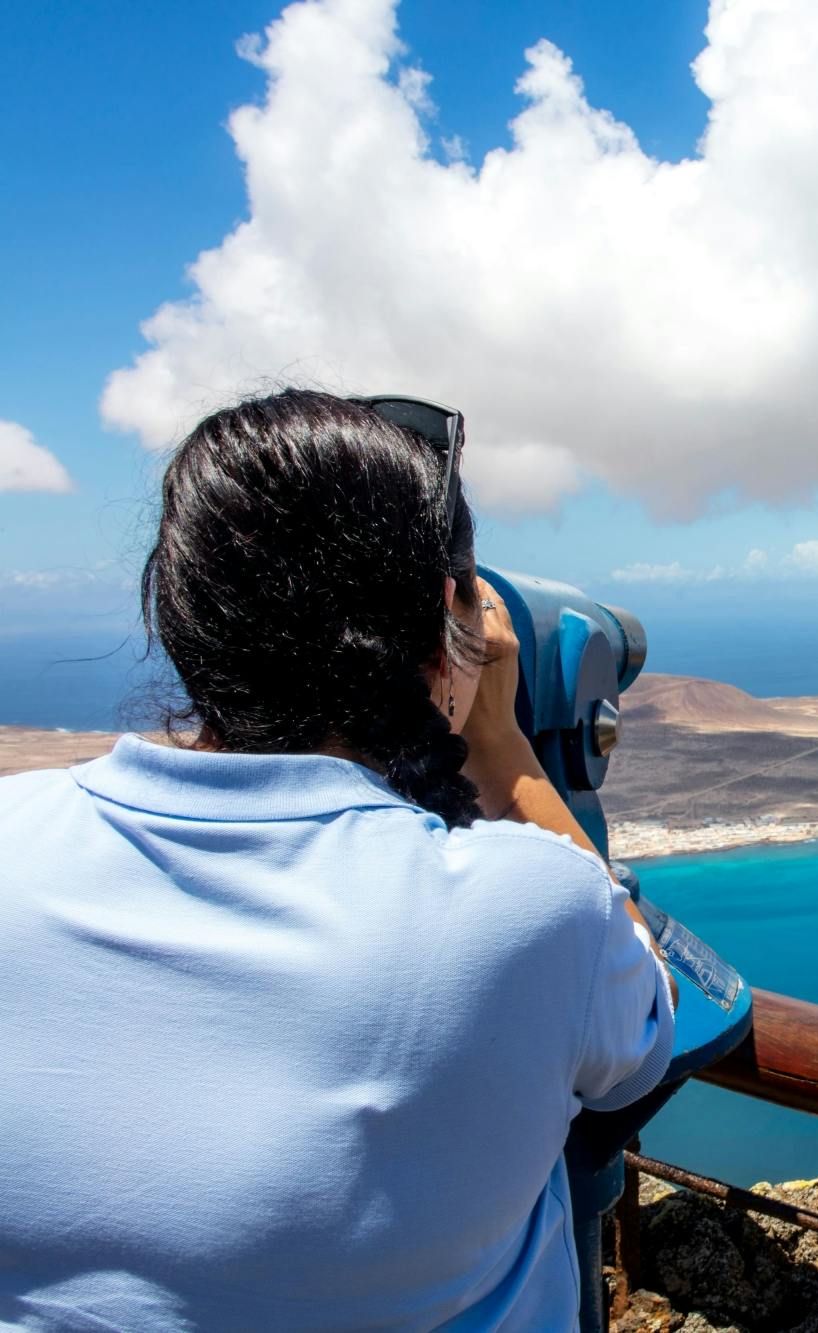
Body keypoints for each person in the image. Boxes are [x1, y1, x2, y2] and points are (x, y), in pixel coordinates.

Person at [0, 389, 675, 1329]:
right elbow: (644, 1026)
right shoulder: (529, 908)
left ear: (181, 610)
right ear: (451, 621)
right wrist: (500, 743)